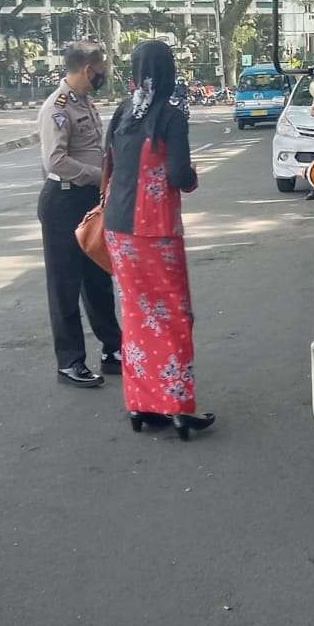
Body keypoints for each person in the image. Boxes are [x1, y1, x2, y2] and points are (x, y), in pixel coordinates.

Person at [102, 40, 212, 439]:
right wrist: (194, 175)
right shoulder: (171, 115)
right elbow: (180, 175)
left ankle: (141, 404)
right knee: (173, 315)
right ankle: (179, 407)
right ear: (168, 74)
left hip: (118, 229)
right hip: (156, 230)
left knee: (135, 313)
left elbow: (110, 164)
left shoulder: (122, 112)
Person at [36, 42, 122, 388]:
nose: (104, 74)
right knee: (65, 285)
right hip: (63, 202)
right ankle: (70, 361)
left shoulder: (84, 101)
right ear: (89, 68)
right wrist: (96, 174)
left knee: (98, 278)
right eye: (102, 68)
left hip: (88, 199)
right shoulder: (56, 108)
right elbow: (55, 162)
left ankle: (113, 349)